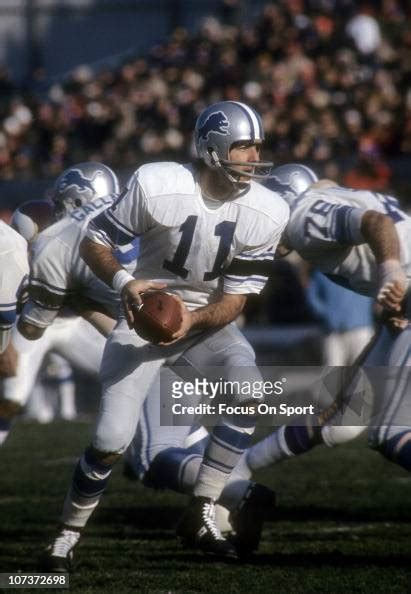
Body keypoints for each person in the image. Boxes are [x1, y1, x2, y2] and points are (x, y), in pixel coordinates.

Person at [42, 100, 289, 570]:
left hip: (204, 322)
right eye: (244, 146)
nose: (255, 156)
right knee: (110, 441)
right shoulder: (159, 186)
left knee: (251, 392)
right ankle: (65, 536)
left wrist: (190, 322)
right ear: (213, 149)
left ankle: (202, 509)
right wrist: (125, 283)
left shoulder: (268, 211)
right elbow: (96, 239)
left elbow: (236, 300)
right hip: (141, 318)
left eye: (258, 145)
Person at [240, 162, 410, 475]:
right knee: (344, 418)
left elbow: (376, 222)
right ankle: (241, 469)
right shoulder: (336, 197)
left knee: (390, 432)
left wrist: (391, 270)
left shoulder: (301, 216)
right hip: (404, 307)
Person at [0, 163, 121, 445]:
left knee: (142, 377)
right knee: (10, 401)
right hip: (34, 321)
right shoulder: (32, 220)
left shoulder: (114, 235)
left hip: (77, 322)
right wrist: (4, 344)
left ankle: (158, 452)